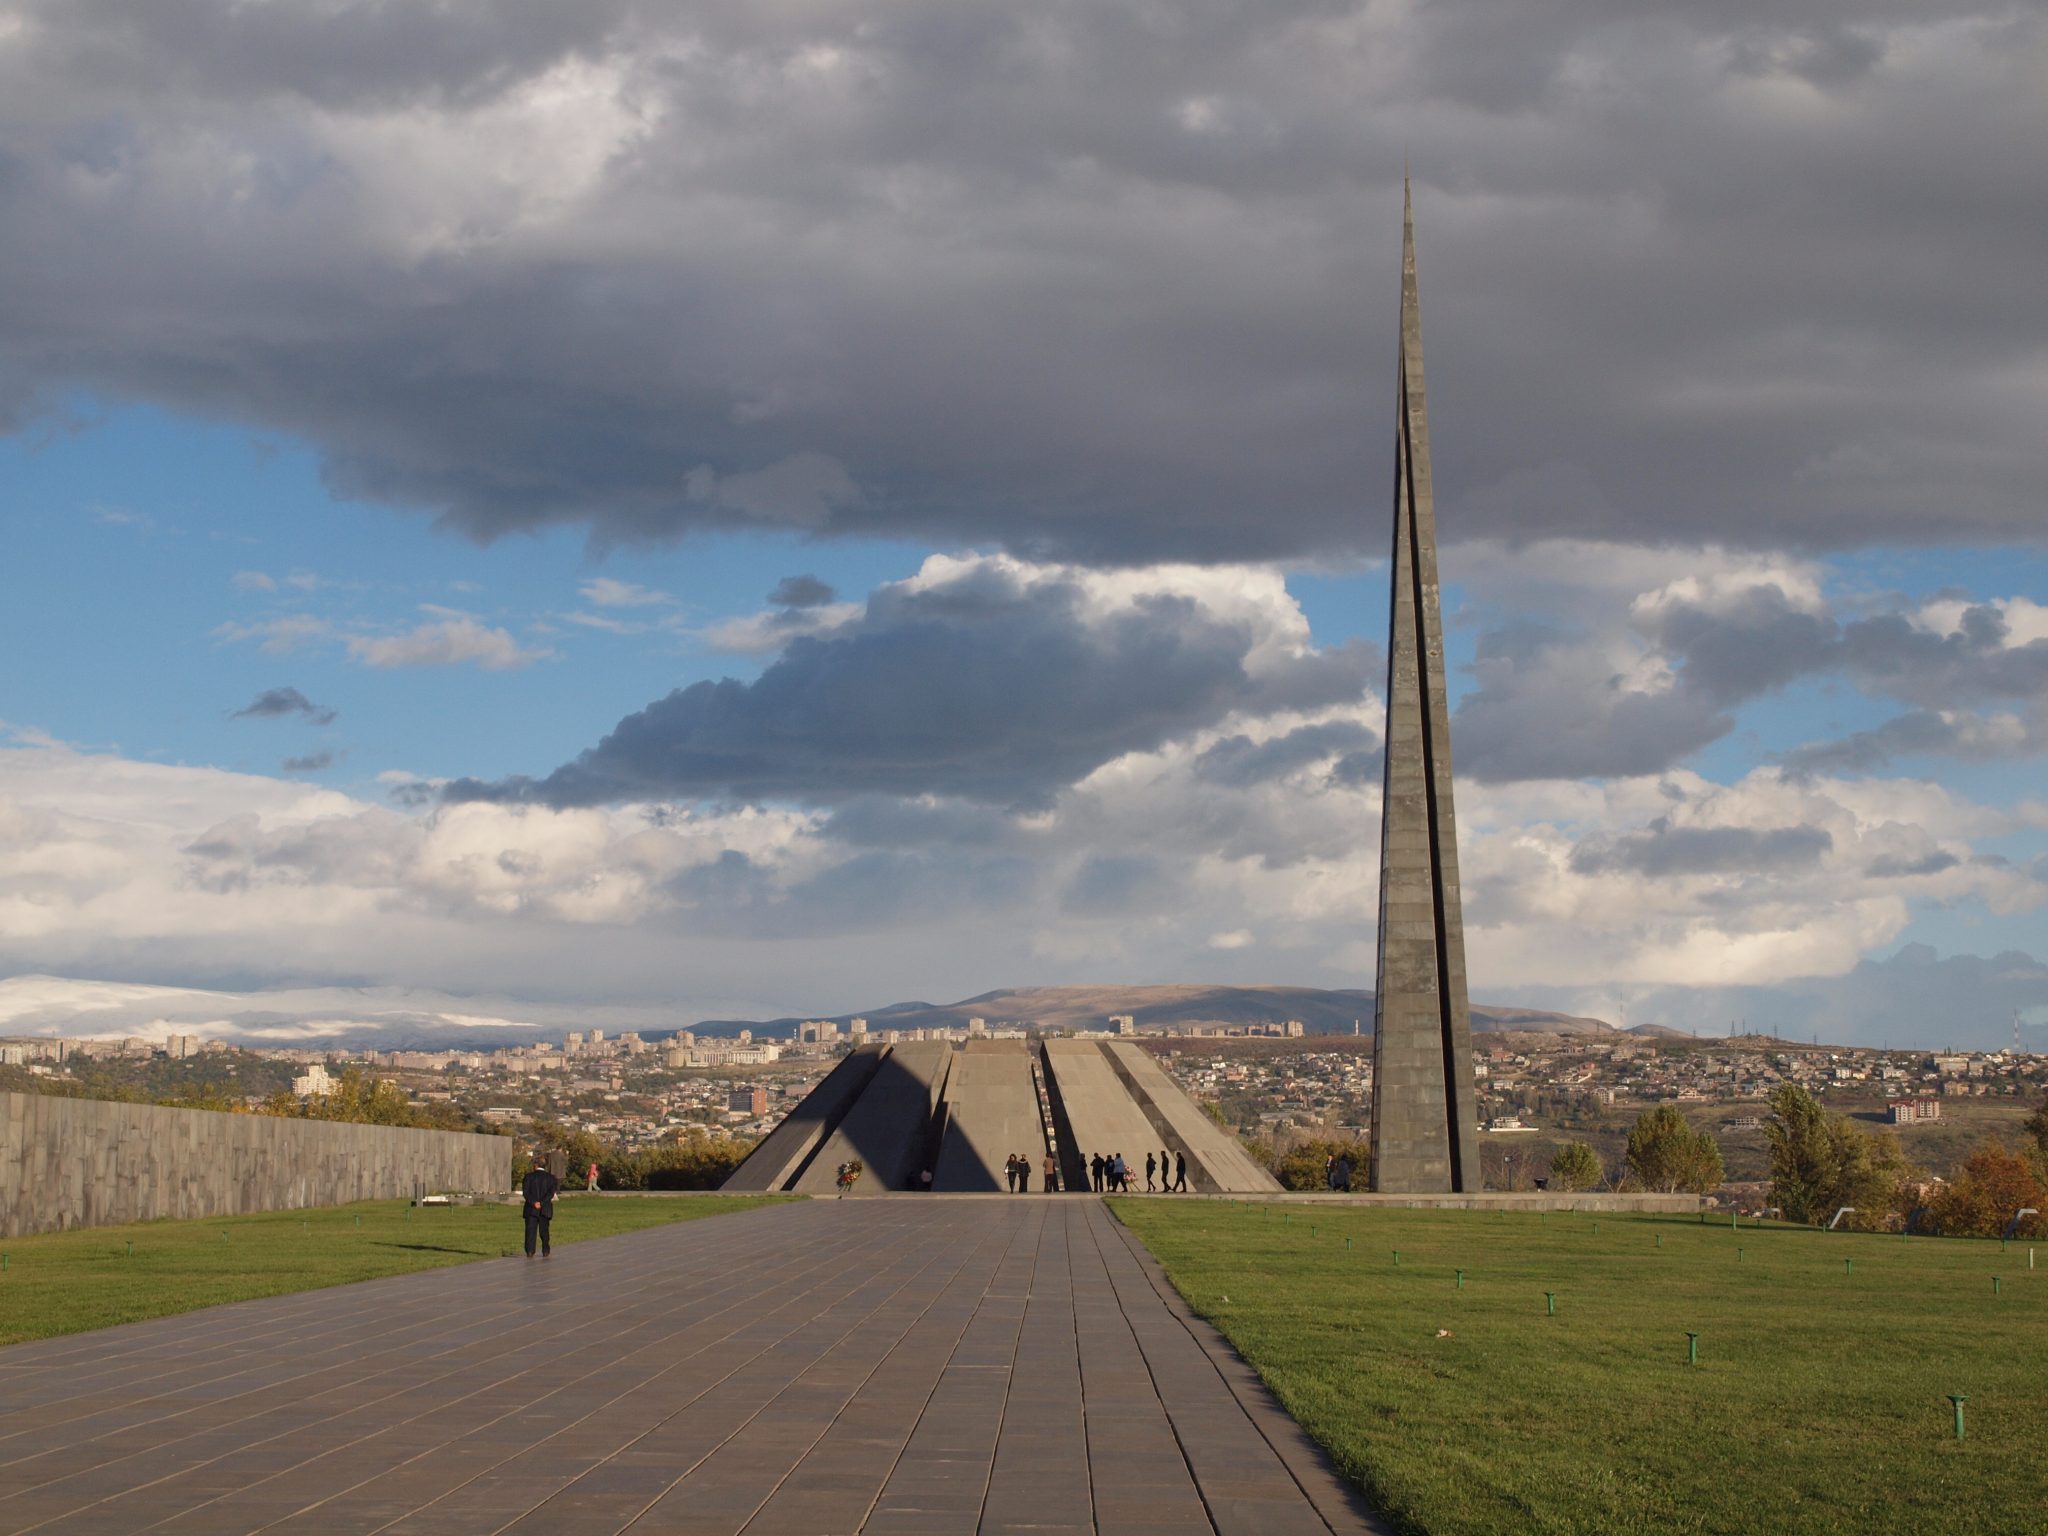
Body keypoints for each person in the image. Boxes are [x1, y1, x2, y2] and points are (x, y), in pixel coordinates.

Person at [520, 1157, 559, 1259]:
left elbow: (526, 1192)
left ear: (536, 1165)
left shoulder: (528, 1177)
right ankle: (545, 1249)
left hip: (531, 1208)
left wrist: (534, 1202)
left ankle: (530, 1250)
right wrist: (542, 1203)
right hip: (545, 1208)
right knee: (544, 1230)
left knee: (530, 1231)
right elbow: (550, 1193)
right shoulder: (551, 1178)